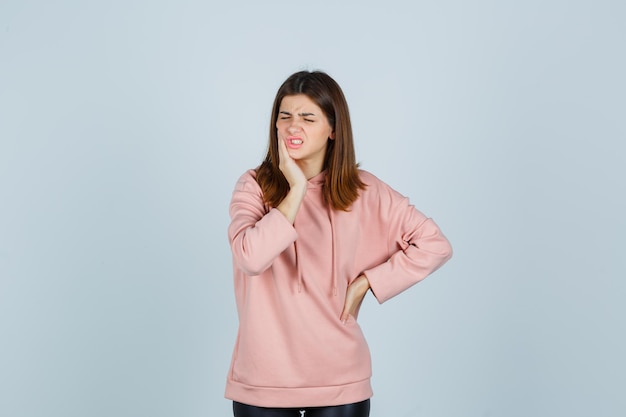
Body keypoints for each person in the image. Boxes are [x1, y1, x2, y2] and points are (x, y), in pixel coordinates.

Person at [225, 70, 452, 417]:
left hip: (340, 378)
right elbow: (250, 258)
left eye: (307, 117)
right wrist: (296, 189)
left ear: (333, 129)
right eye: (284, 116)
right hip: (262, 380)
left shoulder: (364, 191)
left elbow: (434, 244)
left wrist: (370, 282)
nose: (292, 126)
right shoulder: (253, 186)